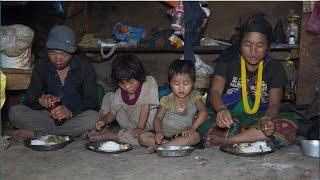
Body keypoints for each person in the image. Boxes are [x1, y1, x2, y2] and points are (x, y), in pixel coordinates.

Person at [204, 13, 299, 149]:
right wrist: (221, 110)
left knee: (288, 124)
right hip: (230, 116)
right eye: (247, 44)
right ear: (240, 44)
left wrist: (266, 120)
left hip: (260, 117)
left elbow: (273, 105)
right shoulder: (226, 62)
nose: (253, 51)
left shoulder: (275, 67)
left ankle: (227, 141)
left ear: (268, 46)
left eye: (260, 45)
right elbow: (214, 92)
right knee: (204, 119)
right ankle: (251, 136)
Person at [9, 25, 100, 142]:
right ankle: (72, 134)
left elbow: (91, 102)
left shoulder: (84, 66)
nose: (58, 59)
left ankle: (37, 134)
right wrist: (40, 101)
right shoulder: (41, 65)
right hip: (49, 118)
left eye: (64, 54)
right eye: (53, 53)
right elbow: (29, 98)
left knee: (93, 118)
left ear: (72, 53)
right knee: (15, 112)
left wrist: (70, 112)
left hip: (76, 116)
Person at [88, 54, 159, 145]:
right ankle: (104, 129)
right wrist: (104, 121)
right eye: (122, 83)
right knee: (109, 97)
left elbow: (145, 108)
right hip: (129, 123)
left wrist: (140, 128)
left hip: (145, 123)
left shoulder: (149, 82)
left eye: (131, 82)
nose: (127, 87)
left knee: (144, 138)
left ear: (139, 76)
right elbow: (112, 113)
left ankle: (113, 136)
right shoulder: (119, 92)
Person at [139, 60, 208, 149]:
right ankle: (172, 144)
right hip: (165, 135)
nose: (181, 87)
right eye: (176, 84)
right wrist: (159, 132)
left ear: (193, 83)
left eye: (186, 83)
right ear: (169, 83)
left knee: (195, 137)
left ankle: (163, 146)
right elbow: (158, 118)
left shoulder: (195, 96)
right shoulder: (166, 99)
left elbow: (204, 112)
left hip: (184, 135)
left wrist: (192, 128)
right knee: (142, 137)